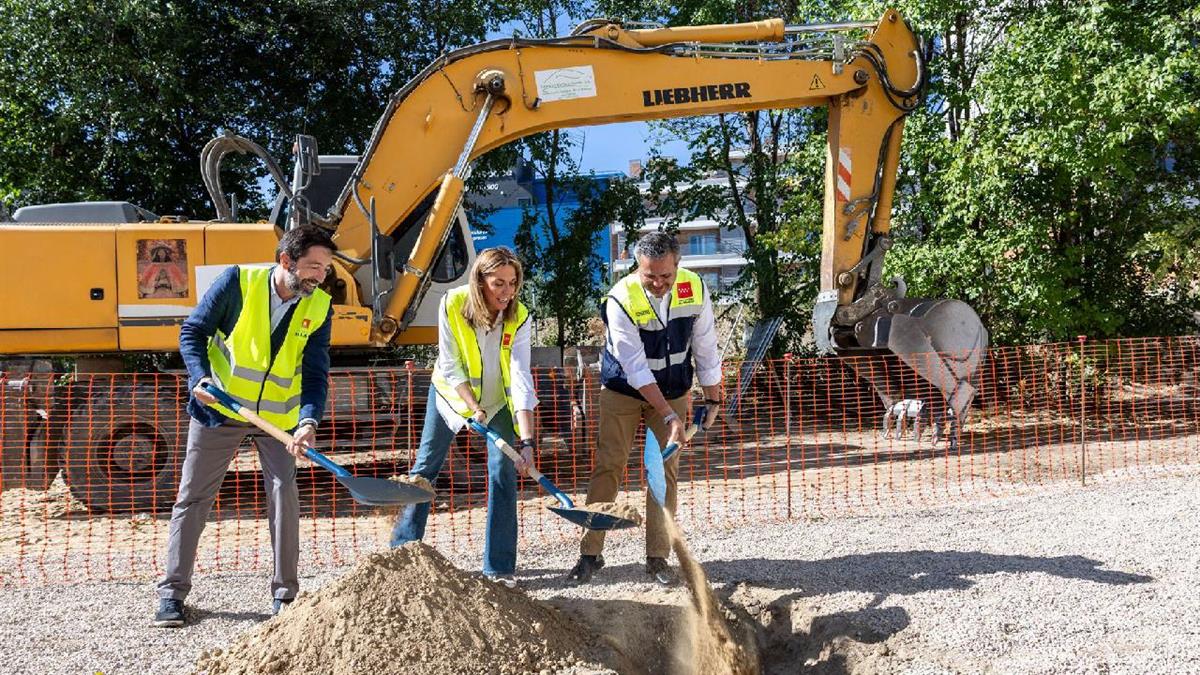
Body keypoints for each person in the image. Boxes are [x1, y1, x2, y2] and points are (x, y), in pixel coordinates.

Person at [154, 225, 336, 627]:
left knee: (283, 496)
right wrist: (199, 378)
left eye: (325, 269)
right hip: (220, 409)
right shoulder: (238, 282)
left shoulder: (319, 306)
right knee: (193, 498)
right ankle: (171, 594)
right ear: (286, 261)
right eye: (313, 267)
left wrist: (308, 420)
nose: (320, 276)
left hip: (278, 420)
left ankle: (285, 597)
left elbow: (316, 371)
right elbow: (193, 332)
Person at [568, 230, 722, 586]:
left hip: (674, 387)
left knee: (662, 472)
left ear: (677, 265)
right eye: (649, 275)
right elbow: (635, 368)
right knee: (609, 465)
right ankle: (590, 554)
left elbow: (706, 346)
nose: (658, 283)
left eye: (665, 275)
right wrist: (669, 415)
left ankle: (657, 559)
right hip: (623, 389)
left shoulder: (695, 288)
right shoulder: (620, 298)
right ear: (637, 266)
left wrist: (713, 397)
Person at [389, 247, 538, 587]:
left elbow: (520, 377)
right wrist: (472, 407)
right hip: (450, 398)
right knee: (425, 469)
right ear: (480, 281)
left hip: (497, 403)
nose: (506, 291)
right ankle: (402, 555)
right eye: (498, 283)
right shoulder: (453, 303)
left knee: (503, 473)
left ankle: (499, 568)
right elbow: (451, 363)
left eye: (512, 283)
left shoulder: (520, 316)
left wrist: (526, 441)